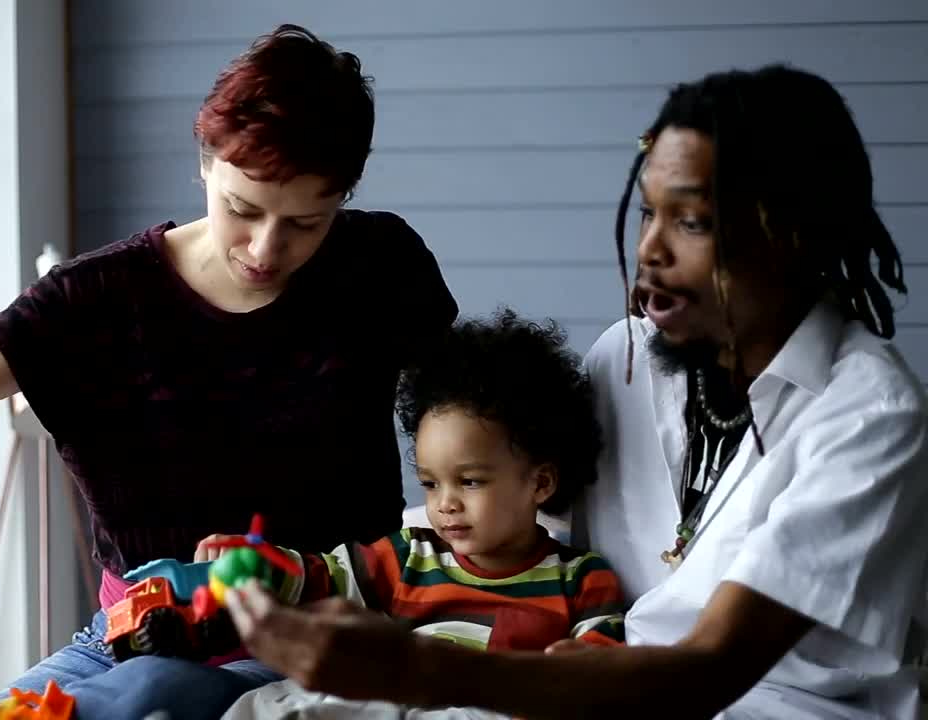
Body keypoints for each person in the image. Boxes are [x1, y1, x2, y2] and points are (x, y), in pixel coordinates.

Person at [222, 65, 928, 719]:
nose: (649, 248)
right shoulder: (628, 358)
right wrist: (336, 571)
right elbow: (511, 495)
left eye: (690, 222)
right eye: (647, 213)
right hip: (592, 682)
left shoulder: (870, 414)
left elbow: (712, 669)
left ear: (791, 235)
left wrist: (420, 667)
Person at [0, 24, 457, 718]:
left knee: (153, 700)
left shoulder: (380, 263)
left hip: (329, 640)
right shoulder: (93, 300)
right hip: (133, 641)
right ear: (205, 162)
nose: (267, 249)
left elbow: (464, 414)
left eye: (307, 222)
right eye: (243, 209)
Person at [208, 310, 624, 718]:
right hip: (386, 696)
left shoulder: (579, 578)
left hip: (490, 704)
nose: (445, 503)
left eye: (471, 481)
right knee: (262, 703)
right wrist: (261, 566)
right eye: (430, 483)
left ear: (540, 483)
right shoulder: (410, 554)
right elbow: (324, 578)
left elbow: (595, 671)